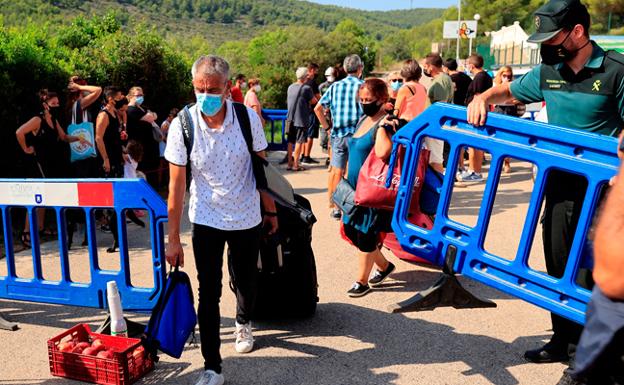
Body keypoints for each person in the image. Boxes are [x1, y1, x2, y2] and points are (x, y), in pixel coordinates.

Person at [466, 0, 624, 368]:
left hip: (603, 193)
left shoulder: (617, 70)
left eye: (552, 37)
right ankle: (562, 340)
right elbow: (512, 92)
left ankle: (586, 358)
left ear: (578, 32)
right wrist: (484, 96)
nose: (546, 44)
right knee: (557, 264)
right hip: (558, 187)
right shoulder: (548, 69)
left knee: (589, 275)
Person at [164, 55, 277, 385]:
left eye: (213, 89)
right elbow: (176, 187)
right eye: (199, 88)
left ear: (228, 88)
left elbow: (261, 170)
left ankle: (244, 321)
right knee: (208, 291)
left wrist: (269, 209)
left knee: (245, 279)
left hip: (246, 215)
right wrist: (173, 238)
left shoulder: (246, 118)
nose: (205, 95)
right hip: (206, 219)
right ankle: (212, 365)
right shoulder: (183, 126)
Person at [15, 89, 91, 248]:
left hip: (51, 163)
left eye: (58, 103)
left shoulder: (54, 119)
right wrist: (25, 149)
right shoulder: (37, 119)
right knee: (34, 197)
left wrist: (79, 138)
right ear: (45, 104)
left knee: (43, 196)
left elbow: (63, 137)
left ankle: (40, 227)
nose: (57, 106)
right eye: (53, 103)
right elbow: (19, 132)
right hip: (37, 164)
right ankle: (26, 231)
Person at [342, 78, 395, 297]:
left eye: (369, 99)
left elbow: (384, 152)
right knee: (350, 230)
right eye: (362, 99)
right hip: (353, 187)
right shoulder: (364, 118)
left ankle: (361, 281)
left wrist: (383, 127)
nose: (364, 103)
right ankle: (384, 267)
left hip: (371, 189)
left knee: (365, 235)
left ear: (382, 99)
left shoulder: (387, 122)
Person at [315, 54, 365, 220]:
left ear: (344, 69)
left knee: (337, 171)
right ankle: (355, 204)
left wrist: (327, 128)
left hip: (338, 135)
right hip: (358, 135)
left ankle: (336, 207)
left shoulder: (335, 87)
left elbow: (317, 108)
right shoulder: (363, 86)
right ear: (360, 69)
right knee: (355, 170)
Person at [95, 86, 127, 253]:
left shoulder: (115, 113)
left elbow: (113, 137)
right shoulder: (104, 115)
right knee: (111, 202)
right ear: (110, 99)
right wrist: (106, 158)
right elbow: (98, 137)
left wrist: (122, 151)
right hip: (108, 163)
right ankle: (116, 238)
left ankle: (119, 237)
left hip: (117, 161)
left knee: (118, 201)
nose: (122, 99)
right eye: (120, 96)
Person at [460, 54, 493, 182]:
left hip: (476, 114)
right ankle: (473, 170)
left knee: (475, 145)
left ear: (472, 65)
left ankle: (475, 171)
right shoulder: (486, 76)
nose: (466, 66)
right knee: (474, 145)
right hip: (480, 113)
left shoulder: (479, 78)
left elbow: (478, 96)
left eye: (467, 64)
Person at [421, 53, 454, 174]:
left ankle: (438, 188)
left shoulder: (440, 80)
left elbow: (440, 105)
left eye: (425, 66)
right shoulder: (444, 78)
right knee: (432, 158)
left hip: (435, 125)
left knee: (435, 160)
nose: (424, 69)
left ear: (431, 66)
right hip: (435, 124)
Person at [67, 76, 102, 178]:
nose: (88, 90)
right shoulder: (80, 104)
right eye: (85, 88)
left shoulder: (71, 105)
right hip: (85, 153)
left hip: (78, 150)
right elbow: (98, 90)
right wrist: (79, 86)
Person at [492, 66, 525, 173]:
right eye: (504, 75)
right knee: (498, 139)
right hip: (499, 112)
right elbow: (494, 101)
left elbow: (518, 99)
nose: (507, 78)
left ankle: (507, 162)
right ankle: (499, 161)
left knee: (509, 140)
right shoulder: (495, 85)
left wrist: (508, 100)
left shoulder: (514, 85)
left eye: (509, 76)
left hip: (511, 113)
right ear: (500, 75)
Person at [126, 86, 160, 189]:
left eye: (142, 95)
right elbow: (151, 117)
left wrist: (151, 115)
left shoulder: (142, 108)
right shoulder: (131, 110)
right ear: (131, 96)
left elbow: (155, 115)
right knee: (141, 172)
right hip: (137, 146)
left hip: (148, 146)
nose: (141, 97)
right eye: (138, 95)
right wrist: (151, 115)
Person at [285, 67, 317, 171]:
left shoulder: (290, 87)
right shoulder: (306, 88)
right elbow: (314, 101)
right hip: (301, 119)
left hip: (290, 118)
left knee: (290, 141)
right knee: (299, 141)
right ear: (305, 77)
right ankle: (296, 165)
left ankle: (289, 163)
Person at [301, 62, 321, 165]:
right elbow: (318, 97)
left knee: (304, 134)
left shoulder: (303, 81)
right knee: (310, 134)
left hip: (303, 111)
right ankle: (307, 156)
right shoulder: (313, 83)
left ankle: (302, 155)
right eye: (316, 70)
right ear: (312, 70)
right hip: (312, 111)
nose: (317, 72)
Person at [318, 66, 336, 160]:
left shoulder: (336, 85)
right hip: (326, 114)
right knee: (327, 134)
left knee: (331, 135)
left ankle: (330, 157)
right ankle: (329, 155)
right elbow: (320, 100)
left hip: (332, 114)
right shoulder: (322, 87)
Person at [158, 108, 179, 188]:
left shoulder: (170, 123)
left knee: (167, 166)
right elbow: (161, 136)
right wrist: (169, 142)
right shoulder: (165, 124)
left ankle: (166, 183)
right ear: (170, 116)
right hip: (164, 147)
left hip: (168, 146)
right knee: (162, 165)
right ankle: (160, 183)